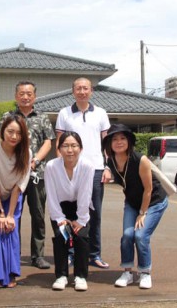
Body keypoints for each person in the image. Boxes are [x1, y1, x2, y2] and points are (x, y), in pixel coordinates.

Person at [0, 81, 55, 269]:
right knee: (15, 214)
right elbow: (0, 139)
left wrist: (35, 160)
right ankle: (14, 253)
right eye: (22, 93)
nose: (25, 97)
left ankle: (38, 255)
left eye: (29, 94)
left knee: (38, 214)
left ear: (34, 97)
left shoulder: (42, 117)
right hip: (13, 173)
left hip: (37, 173)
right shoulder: (8, 116)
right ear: (16, 96)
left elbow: (48, 142)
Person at [103, 123, 169, 290]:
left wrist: (142, 213)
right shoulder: (111, 161)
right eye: (114, 139)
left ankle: (145, 273)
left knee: (140, 236)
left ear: (129, 141)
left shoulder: (140, 160)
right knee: (127, 235)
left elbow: (148, 189)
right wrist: (106, 169)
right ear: (109, 143)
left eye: (123, 138)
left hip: (153, 202)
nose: (119, 142)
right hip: (132, 203)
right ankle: (127, 272)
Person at [55, 77, 111, 269]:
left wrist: (107, 166)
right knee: (71, 212)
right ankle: (71, 252)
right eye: (78, 88)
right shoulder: (64, 113)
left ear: (91, 91)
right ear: (73, 91)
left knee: (94, 213)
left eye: (85, 88)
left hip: (95, 169)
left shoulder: (101, 113)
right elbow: (59, 143)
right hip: (71, 169)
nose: (82, 91)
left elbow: (107, 143)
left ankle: (94, 254)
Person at [0, 114, 31, 288]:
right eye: (10, 131)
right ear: (3, 130)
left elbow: (19, 186)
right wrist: (0, 213)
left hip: (13, 194)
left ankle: (10, 273)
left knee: (11, 229)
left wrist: (9, 215)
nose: (14, 136)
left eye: (18, 133)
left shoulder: (26, 153)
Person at [45, 131, 94, 292]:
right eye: (65, 146)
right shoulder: (51, 166)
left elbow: (85, 194)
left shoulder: (87, 166)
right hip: (60, 210)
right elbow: (51, 194)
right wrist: (59, 218)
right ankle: (61, 275)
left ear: (80, 148)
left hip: (82, 208)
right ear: (59, 149)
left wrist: (80, 220)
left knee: (81, 237)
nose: (70, 150)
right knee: (61, 237)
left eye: (74, 146)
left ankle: (80, 276)